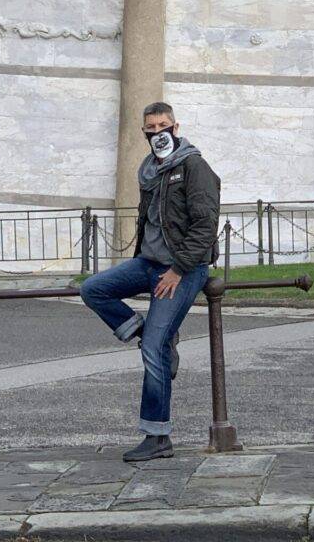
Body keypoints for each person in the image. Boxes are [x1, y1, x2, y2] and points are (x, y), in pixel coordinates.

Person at [80, 102, 220, 462]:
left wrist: (177, 271)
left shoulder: (194, 167)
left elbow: (205, 228)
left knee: (152, 352)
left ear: (176, 127)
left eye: (163, 126)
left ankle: (158, 437)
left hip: (183, 269)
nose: (157, 133)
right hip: (148, 262)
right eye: (150, 128)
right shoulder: (150, 171)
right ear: (144, 133)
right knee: (93, 289)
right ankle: (149, 332)